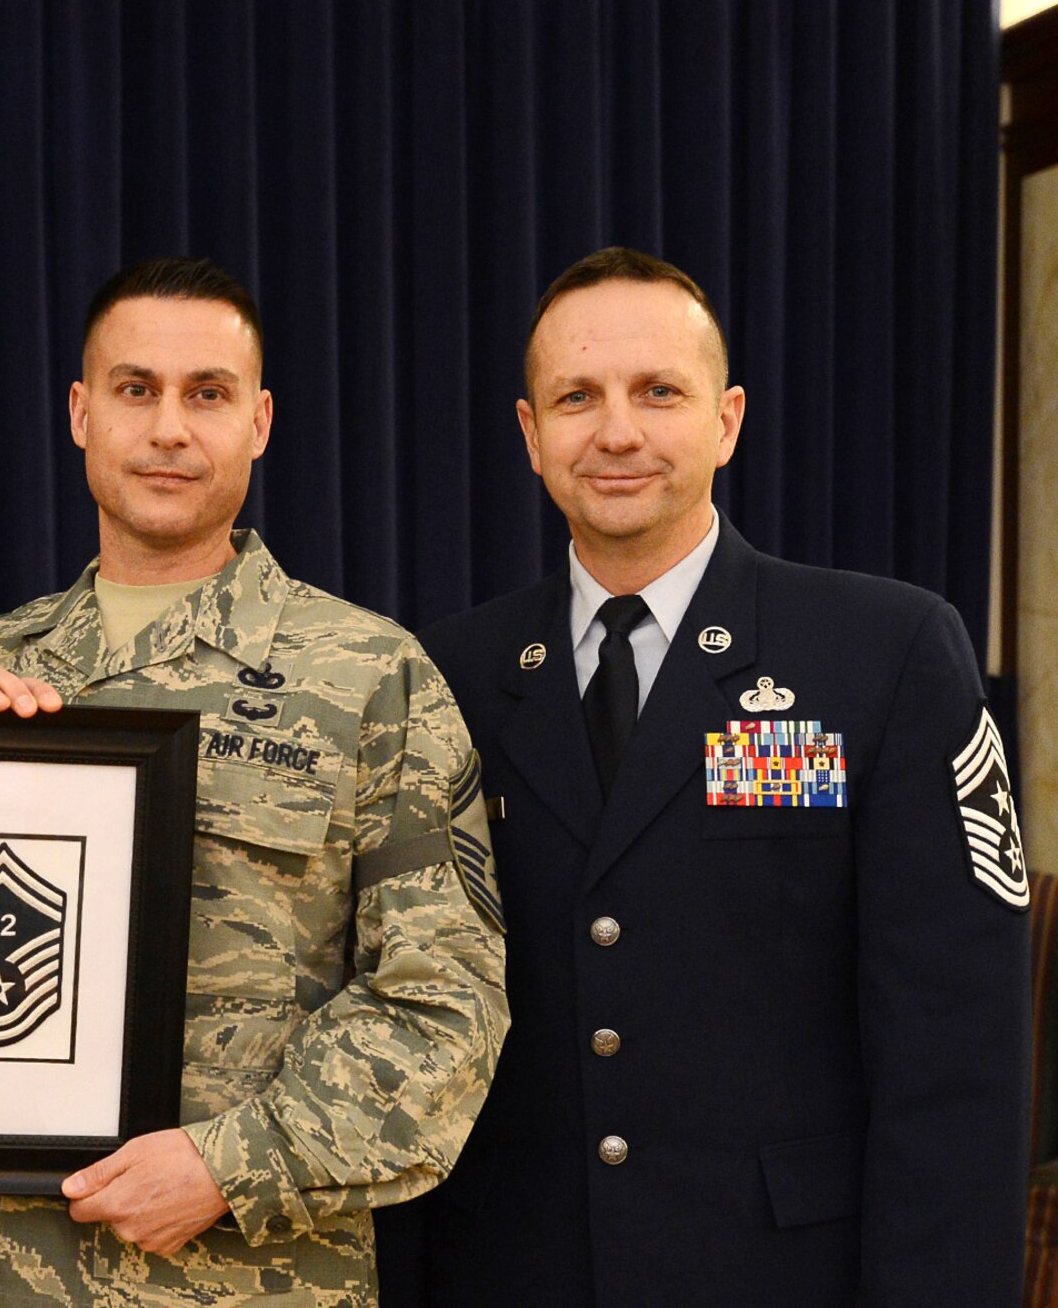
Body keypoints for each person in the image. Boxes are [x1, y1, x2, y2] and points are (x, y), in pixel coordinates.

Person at [375, 247, 1032, 1306]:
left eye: (657, 392)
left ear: (723, 420)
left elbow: (956, 1061)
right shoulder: (447, 672)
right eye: (575, 397)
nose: (617, 431)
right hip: (511, 1273)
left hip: (781, 1275)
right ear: (529, 434)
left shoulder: (884, 652)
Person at [0, 257, 508, 1306]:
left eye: (207, 394)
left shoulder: (373, 676)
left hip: (255, 1282)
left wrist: (229, 1167)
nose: (169, 429)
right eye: (134, 389)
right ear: (79, 412)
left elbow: (444, 1005)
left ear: (260, 420)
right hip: (7, 1278)